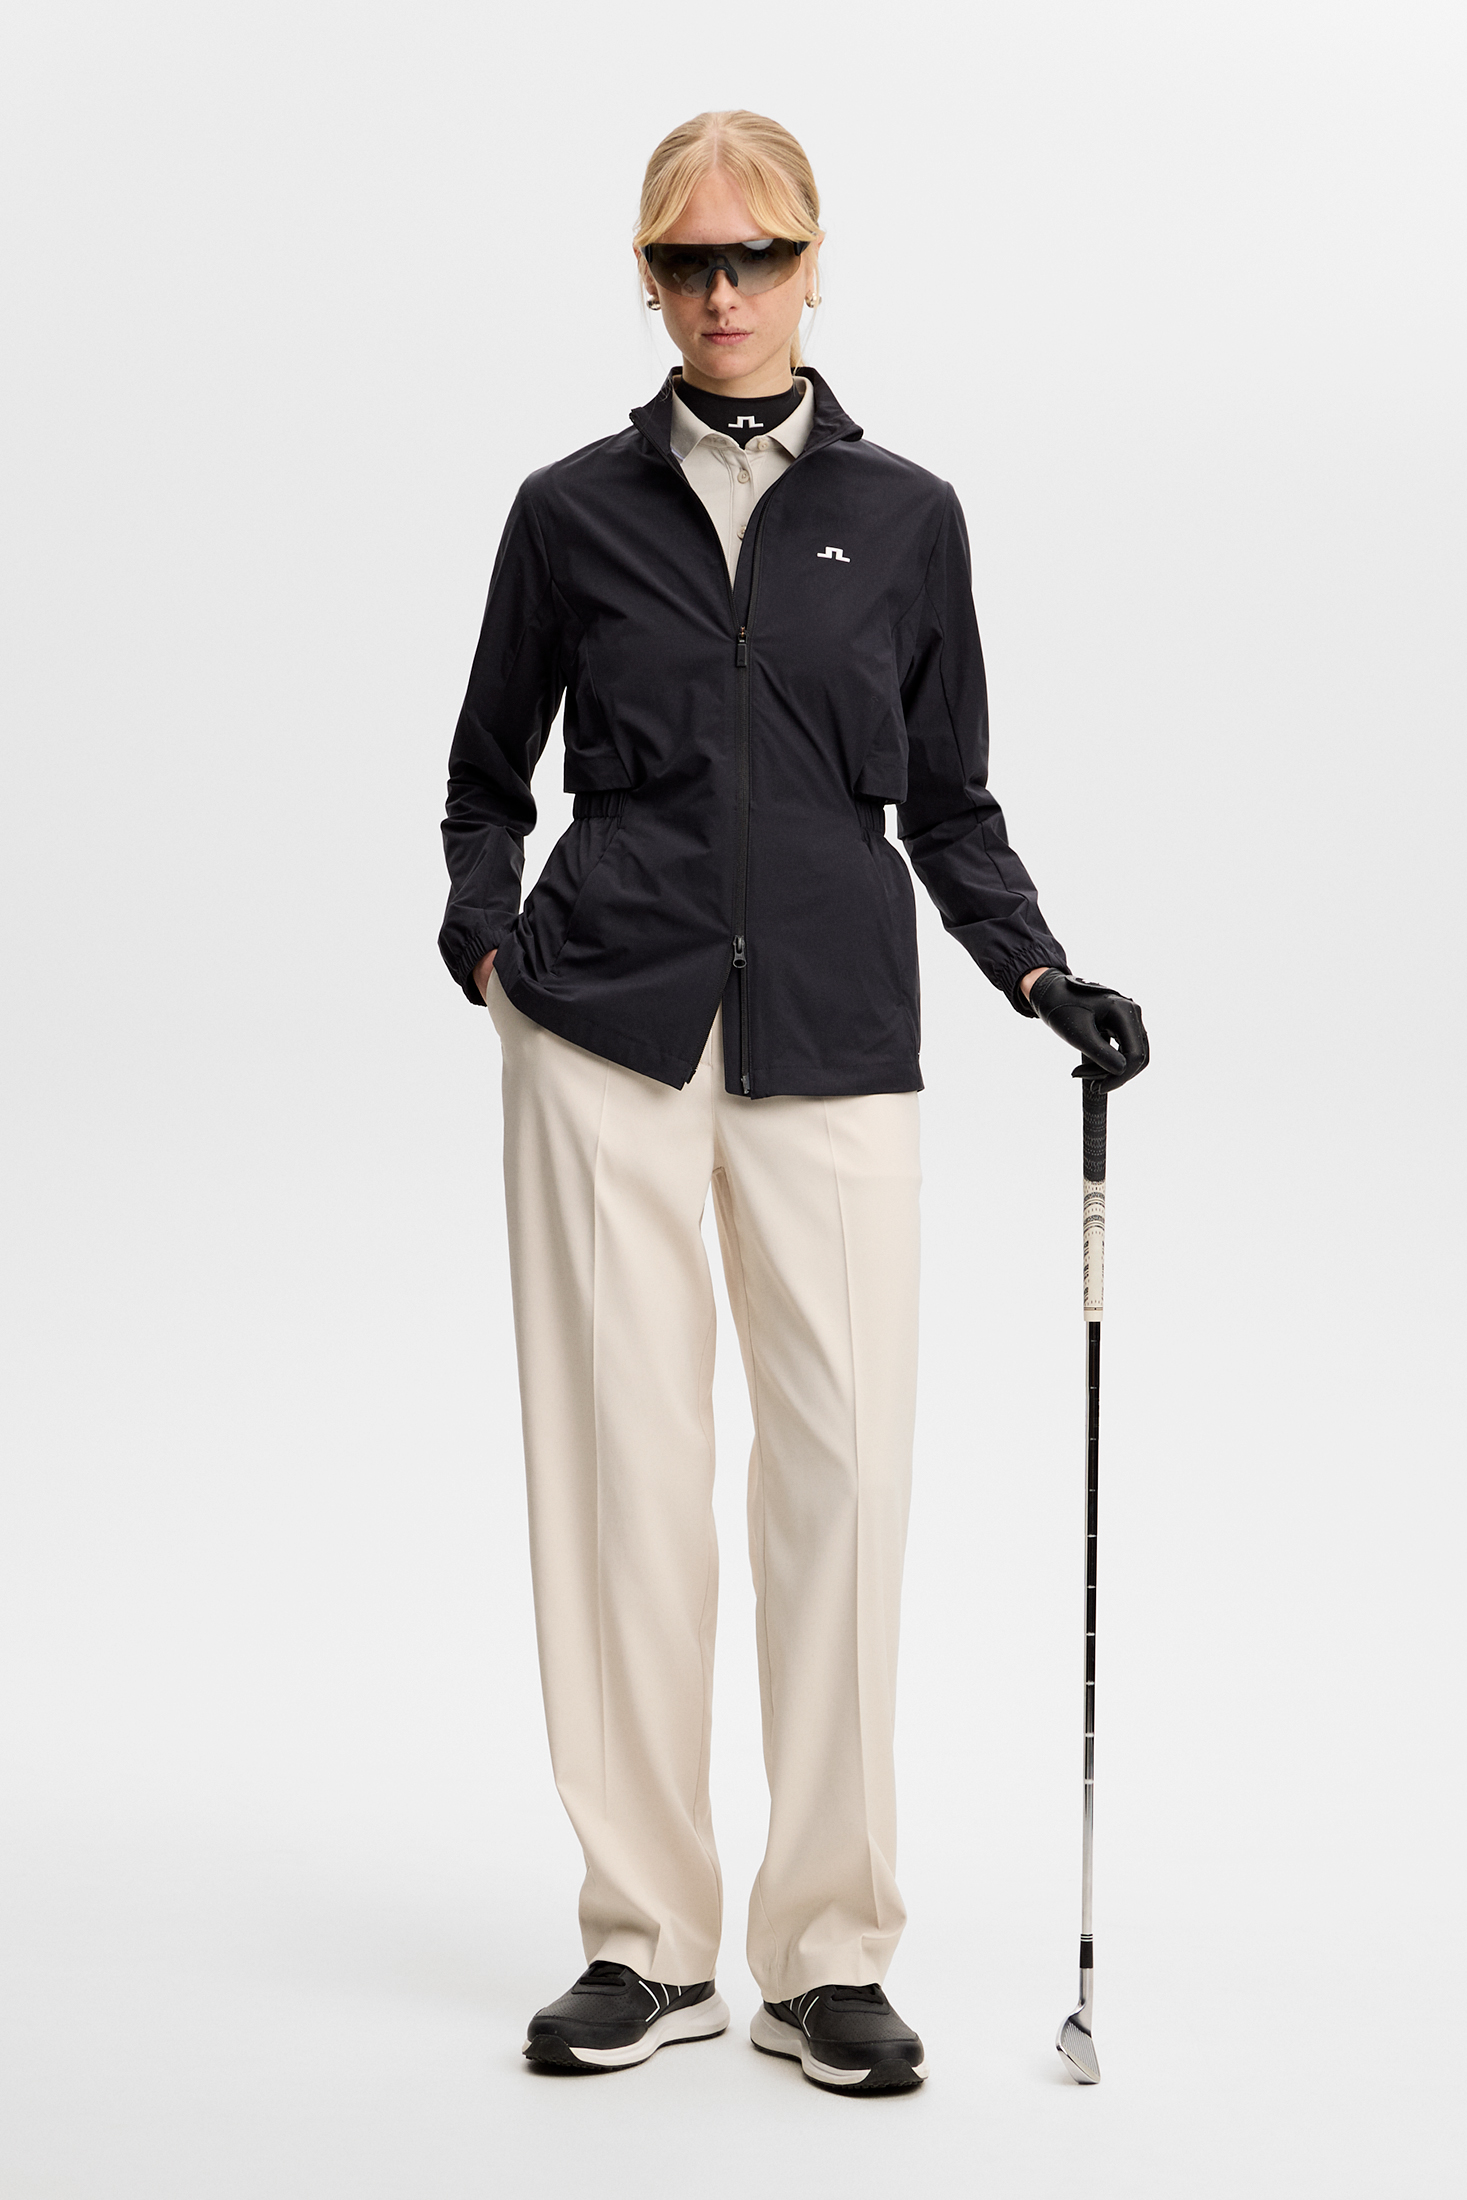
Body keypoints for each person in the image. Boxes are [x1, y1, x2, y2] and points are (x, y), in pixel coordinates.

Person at [437, 108, 1149, 2095]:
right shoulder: (567, 511)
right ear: (648, 280)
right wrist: (487, 948)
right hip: (604, 1032)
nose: (723, 290)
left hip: (832, 1034)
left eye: (753, 255)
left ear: (814, 263)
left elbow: (951, 801)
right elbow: (485, 776)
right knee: (620, 1477)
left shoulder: (906, 516)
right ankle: (646, 1941)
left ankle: (827, 1955)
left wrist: (1038, 973)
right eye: (686, 260)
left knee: (841, 1482)